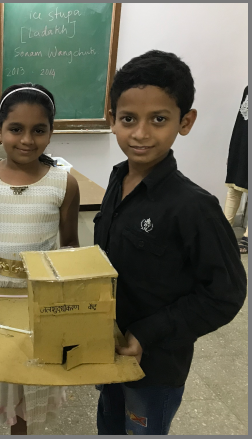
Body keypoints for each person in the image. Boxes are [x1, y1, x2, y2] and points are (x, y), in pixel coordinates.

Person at [95, 49, 248, 435]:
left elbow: (226, 294)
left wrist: (147, 333)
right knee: (108, 425)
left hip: (156, 367)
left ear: (185, 121)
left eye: (158, 119)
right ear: (113, 120)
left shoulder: (194, 207)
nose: (141, 133)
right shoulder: (116, 181)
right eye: (128, 119)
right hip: (107, 350)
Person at [0, 83, 80, 435]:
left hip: (33, 301)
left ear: (51, 133)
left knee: (26, 381)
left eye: (39, 130)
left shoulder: (63, 183)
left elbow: (69, 245)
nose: (27, 140)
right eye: (15, 129)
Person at [223, 86, 248, 253]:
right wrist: (234, 150)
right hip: (242, 145)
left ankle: (247, 237)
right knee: (233, 188)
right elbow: (240, 123)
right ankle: (223, 230)